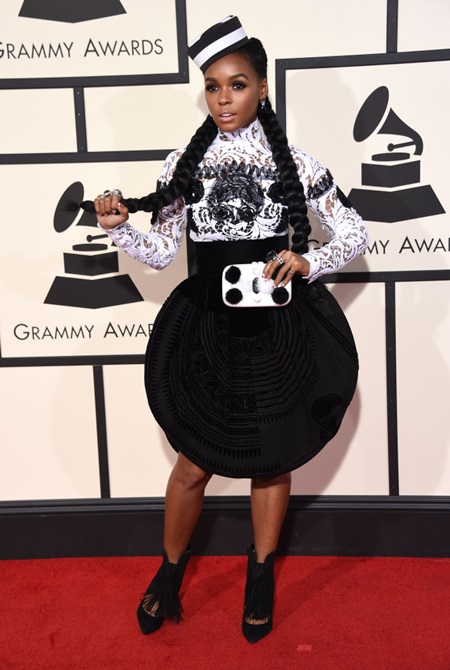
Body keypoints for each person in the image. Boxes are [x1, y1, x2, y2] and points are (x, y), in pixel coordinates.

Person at [88, 16, 368, 643]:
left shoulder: (295, 160)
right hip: (209, 330)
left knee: (272, 460)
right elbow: (162, 255)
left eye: (237, 85)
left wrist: (309, 260)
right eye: (213, 87)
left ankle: (261, 573)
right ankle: (168, 572)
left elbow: (353, 231)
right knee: (192, 465)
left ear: (263, 88)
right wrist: (120, 228)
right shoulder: (182, 163)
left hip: (277, 331)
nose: (223, 100)